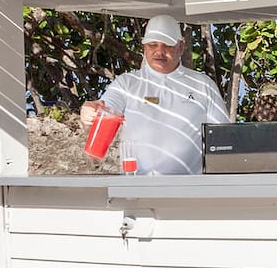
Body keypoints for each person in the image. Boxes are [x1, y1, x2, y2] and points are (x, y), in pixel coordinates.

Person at [81, 15, 231, 174]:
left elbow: (223, 137)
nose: (159, 51)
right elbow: (102, 115)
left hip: (190, 189)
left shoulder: (203, 85)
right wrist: (89, 112)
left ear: (181, 47)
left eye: (167, 45)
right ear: (144, 46)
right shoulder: (126, 84)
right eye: (153, 45)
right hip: (137, 189)